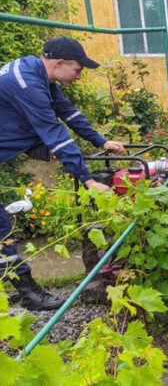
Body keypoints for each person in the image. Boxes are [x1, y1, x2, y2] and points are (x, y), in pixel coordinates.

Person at [0, 37, 124, 310]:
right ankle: (31, 295)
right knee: (1, 230)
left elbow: (68, 113)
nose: (78, 77)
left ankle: (21, 289)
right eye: (78, 70)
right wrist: (89, 180)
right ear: (59, 63)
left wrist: (100, 141)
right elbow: (56, 136)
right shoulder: (28, 86)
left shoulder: (36, 73)